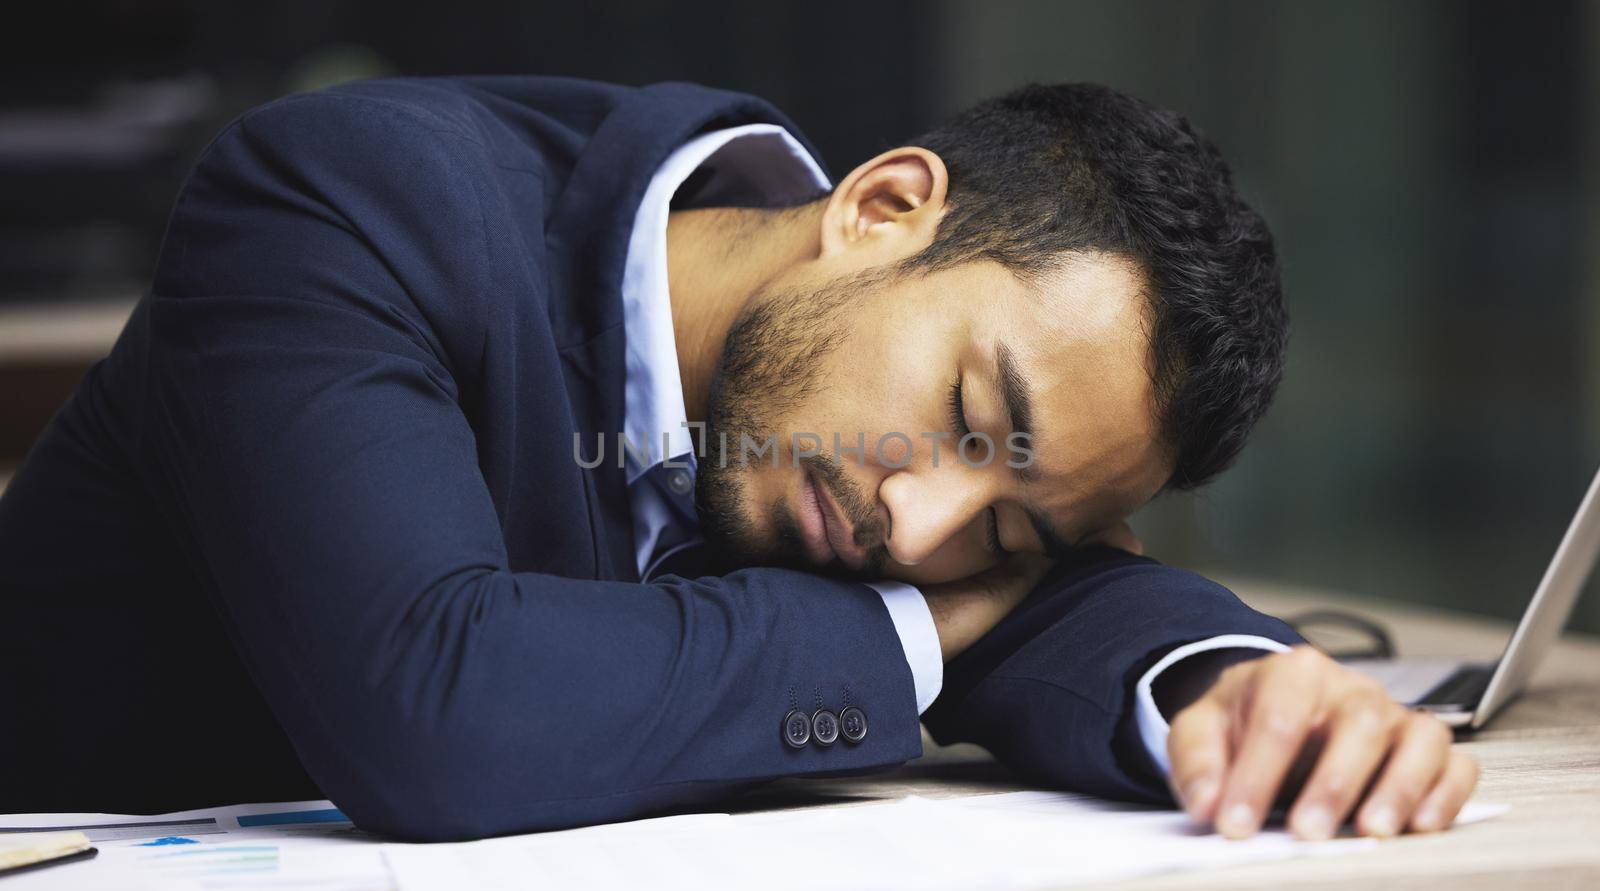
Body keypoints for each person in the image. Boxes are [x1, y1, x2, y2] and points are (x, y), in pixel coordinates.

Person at [0, 76, 1477, 842]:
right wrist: (914, 637)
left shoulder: (865, 407)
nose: (923, 528)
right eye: (971, 421)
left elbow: (1075, 602)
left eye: (1014, 534)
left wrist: (1234, 689)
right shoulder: (349, 203)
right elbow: (429, 707)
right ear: (887, 206)